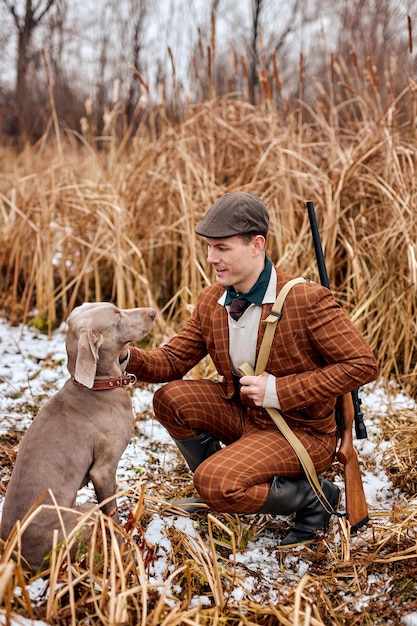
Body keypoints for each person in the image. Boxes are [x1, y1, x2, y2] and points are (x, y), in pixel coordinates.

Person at [120, 191, 378, 546]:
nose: (211, 258)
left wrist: (279, 391)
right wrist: (121, 356)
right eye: (209, 247)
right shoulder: (213, 300)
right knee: (170, 399)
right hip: (246, 417)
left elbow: (362, 365)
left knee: (215, 482)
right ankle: (219, 487)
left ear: (256, 245)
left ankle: (315, 499)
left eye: (222, 248)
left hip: (299, 430)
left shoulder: (306, 300)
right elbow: (171, 362)